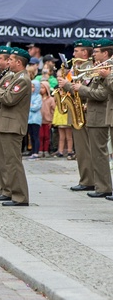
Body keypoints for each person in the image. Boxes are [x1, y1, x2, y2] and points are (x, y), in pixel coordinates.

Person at [0, 47, 32, 206]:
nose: (7, 62)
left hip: (13, 125)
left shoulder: (22, 79)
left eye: (10, 60)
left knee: (13, 163)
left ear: (19, 62)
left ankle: (20, 197)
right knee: (8, 162)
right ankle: (11, 192)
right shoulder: (17, 77)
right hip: (7, 124)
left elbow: (9, 98)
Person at [74, 38, 113, 199]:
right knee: (96, 153)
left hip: (101, 114)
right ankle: (101, 186)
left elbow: (102, 93)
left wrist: (106, 76)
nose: (93, 54)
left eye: (96, 52)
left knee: (99, 152)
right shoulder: (101, 67)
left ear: (105, 52)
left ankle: (104, 186)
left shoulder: (108, 68)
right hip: (98, 113)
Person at [58, 40, 94, 189]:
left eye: (76, 51)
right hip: (78, 110)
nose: (73, 54)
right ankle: (85, 179)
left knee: (85, 149)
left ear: (84, 53)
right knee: (81, 149)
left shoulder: (89, 68)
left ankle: (88, 181)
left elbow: (82, 89)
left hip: (84, 112)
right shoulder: (78, 67)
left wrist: (66, 84)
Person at [27, 80, 42, 159]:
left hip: (35, 119)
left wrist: (30, 105)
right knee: (31, 136)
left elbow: (35, 107)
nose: (31, 89)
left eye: (33, 87)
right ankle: (32, 151)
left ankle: (36, 152)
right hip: (29, 119)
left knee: (35, 136)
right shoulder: (29, 96)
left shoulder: (38, 96)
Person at [40, 81, 55, 157]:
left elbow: (53, 110)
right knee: (40, 136)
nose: (41, 89)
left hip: (48, 120)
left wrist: (52, 120)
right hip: (39, 121)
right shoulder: (38, 98)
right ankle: (40, 150)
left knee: (47, 136)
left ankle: (46, 150)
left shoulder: (51, 99)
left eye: (42, 88)